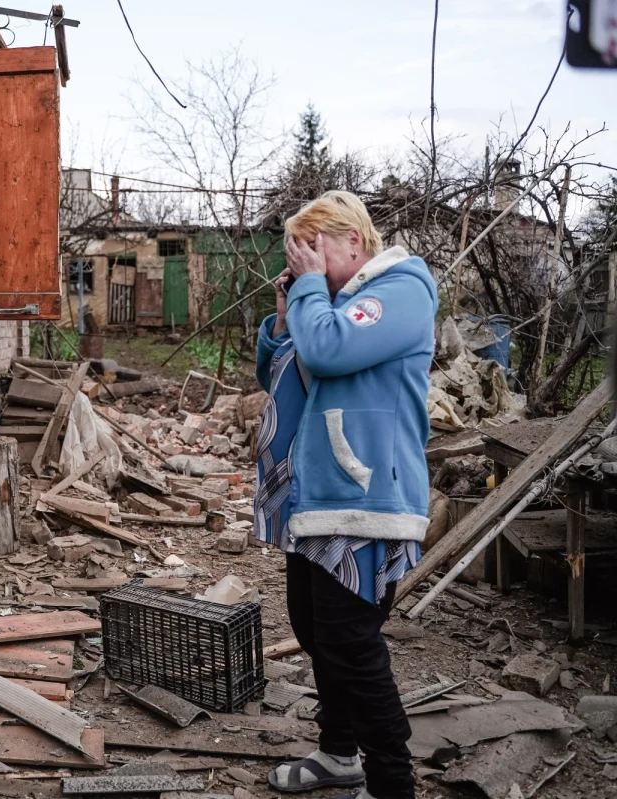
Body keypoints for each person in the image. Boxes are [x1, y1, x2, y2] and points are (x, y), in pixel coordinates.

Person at [253, 191, 436, 799]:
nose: (301, 262)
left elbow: (330, 353)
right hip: (317, 500)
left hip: (368, 504)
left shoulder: (403, 291)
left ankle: (392, 783)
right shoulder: (325, 304)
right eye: (293, 253)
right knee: (314, 631)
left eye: (312, 249)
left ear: (353, 243)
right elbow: (280, 374)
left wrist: (308, 295)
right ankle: (338, 754)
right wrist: (285, 315)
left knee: (351, 644)